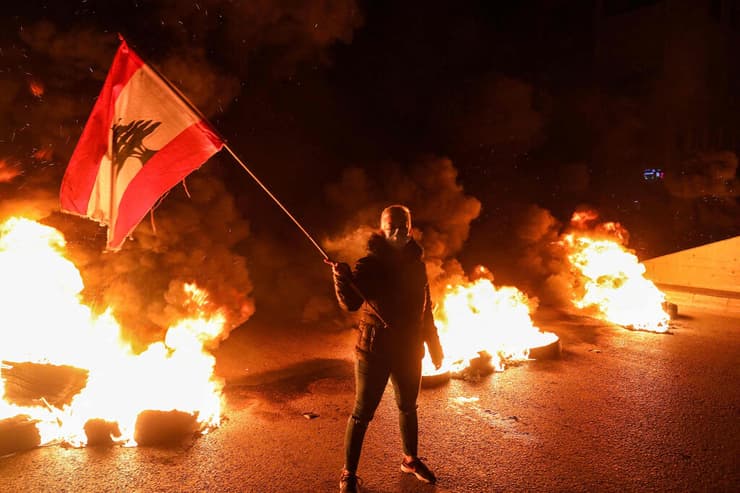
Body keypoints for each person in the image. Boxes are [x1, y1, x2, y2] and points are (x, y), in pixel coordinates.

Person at [327, 204, 444, 493]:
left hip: (408, 349)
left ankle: (410, 460)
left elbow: (425, 308)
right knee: (362, 413)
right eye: (392, 226)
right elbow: (350, 304)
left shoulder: (417, 265)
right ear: (382, 229)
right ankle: (349, 473)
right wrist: (341, 279)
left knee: (408, 407)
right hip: (374, 351)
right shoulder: (369, 265)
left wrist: (434, 345)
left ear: (410, 228)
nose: (398, 231)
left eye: (403, 226)